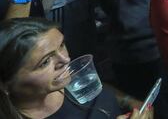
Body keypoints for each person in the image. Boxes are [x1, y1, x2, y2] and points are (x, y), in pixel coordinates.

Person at [0, 18, 153, 119]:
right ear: (6, 84)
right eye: (45, 62)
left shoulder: (65, 80)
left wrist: (129, 101)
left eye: (61, 45)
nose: (65, 60)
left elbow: (101, 91)